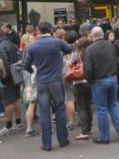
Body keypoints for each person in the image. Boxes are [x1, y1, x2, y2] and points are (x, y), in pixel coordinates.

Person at [23, 22, 73, 151]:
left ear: (38, 30)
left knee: (44, 112)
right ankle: (63, 140)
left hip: (42, 82)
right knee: (60, 110)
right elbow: (69, 49)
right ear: (51, 30)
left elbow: (26, 65)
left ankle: (46, 144)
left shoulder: (33, 46)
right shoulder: (57, 42)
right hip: (56, 81)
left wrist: (35, 71)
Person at [83, 26, 119, 144]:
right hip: (112, 78)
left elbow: (88, 69)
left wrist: (90, 81)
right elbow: (118, 62)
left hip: (98, 80)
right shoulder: (111, 45)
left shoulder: (89, 49)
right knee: (113, 105)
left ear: (92, 36)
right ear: (102, 34)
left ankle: (104, 136)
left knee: (101, 109)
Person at [0, 28, 23, 136]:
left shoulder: (0, 47)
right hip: (16, 75)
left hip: (7, 77)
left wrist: (3, 77)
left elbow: (4, 63)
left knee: (8, 101)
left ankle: (8, 126)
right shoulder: (11, 43)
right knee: (16, 98)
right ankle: (18, 123)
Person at [70, 37, 93, 140]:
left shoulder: (76, 54)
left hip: (78, 82)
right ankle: (89, 126)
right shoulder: (90, 53)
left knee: (81, 107)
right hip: (89, 81)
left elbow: (69, 65)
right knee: (88, 105)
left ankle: (84, 130)